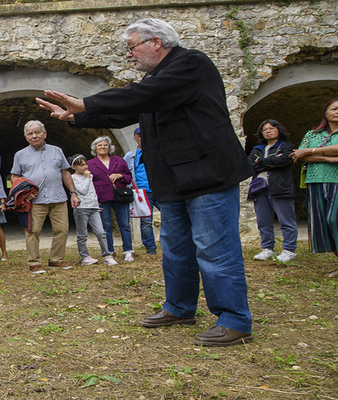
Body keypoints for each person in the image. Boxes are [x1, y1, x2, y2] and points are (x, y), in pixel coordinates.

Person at [36, 18, 253, 346]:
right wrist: (77, 115)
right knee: (176, 248)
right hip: (173, 179)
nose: (128, 55)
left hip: (208, 174)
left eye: (131, 47)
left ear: (156, 42)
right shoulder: (157, 83)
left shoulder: (189, 64)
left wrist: (88, 102)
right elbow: (126, 112)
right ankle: (179, 307)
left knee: (214, 248)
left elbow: (144, 95)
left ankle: (234, 319)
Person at [10, 120, 80, 274]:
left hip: (58, 197)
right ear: (26, 137)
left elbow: (65, 173)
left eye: (37, 132)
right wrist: (24, 193)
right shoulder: (20, 155)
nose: (34, 136)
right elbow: (14, 177)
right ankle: (34, 262)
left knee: (62, 230)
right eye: (30, 134)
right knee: (32, 231)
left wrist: (73, 192)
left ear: (44, 133)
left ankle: (56, 260)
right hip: (34, 201)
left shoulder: (57, 151)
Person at [291, 97, 338, 278]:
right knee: (322, 223)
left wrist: (310, 151)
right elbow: (300, 156)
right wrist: (331, 158)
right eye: (335, 108)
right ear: (326, 112)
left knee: (336, 219)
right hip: (315, 180)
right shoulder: (312, 134)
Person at [248, 120, 298, 263]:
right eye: (265, 130)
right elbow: (250, 165)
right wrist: (270, 161)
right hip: (260, 188)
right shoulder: (257, 148)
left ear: (279, 130)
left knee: (286, 220)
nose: (268, 131)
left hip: (281, 188)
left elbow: (284, 161)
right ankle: (267, 249)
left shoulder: (287, 146)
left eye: (271, 128)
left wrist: (260, 162)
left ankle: (289, 250)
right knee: (263, 220)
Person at [88, 136, 134, 261]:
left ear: (110, 147)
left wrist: (120, 175)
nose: (102, 147)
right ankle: (110, 251)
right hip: (102, 197)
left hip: (120, 196)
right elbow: (88, 183)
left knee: (124, 224)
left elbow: (129, 177)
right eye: (99, 145)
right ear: (95, 148)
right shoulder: (90, 164)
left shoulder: (119, 161)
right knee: (105, 225)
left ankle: (128, 250)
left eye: (105, 145)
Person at [69, 154, 117, 266]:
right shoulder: (73, 178)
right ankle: (85, 256)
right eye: (81, 165)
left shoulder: (89, 176)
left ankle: (107, 254)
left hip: (93, 207)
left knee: (101, 232)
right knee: (82, 234)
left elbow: (92, 191)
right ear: (73, 167)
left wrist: (96, 203)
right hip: (81, 208)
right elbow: (83, 191)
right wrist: (87, 178)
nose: (85, 167)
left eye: (86, 164)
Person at [124, 127, 161, 255]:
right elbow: (125, 172)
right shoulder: (130, 156)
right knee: (146, 221)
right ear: (135, 138)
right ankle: (150, 249)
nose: (142, 138)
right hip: (143, 192)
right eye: (139, 136)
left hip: (160, 188)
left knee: (172, 216)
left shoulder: (158, 151)